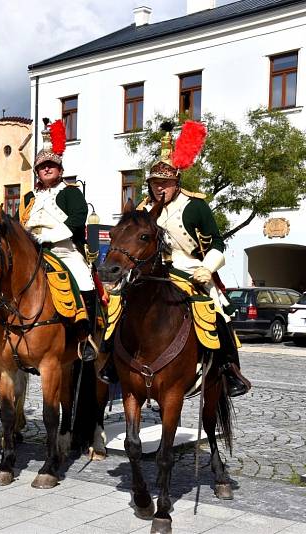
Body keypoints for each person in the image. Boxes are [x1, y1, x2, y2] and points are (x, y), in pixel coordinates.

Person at [100, 121, 250, 396]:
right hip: (148, 270)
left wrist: (207, 268)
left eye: (165, 183)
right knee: (117, 303)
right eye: (155, 184)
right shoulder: (143, 210)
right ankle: (111, 359)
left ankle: (229, 370)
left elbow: (216, 242)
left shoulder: (195, 206)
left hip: (189, 267)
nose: (159, 189)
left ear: (176, 182)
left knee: (215, 309)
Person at [20, 118, 98, 362]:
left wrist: (46, 237)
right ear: (37, 172)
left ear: (60, 169)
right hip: (32, 253)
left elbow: (77, 219)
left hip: (64, 250)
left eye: (51, 165)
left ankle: (86, 336)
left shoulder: (71, 192)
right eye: (42, 166)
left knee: (86, 283)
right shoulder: (28, 197)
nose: (47, 169)